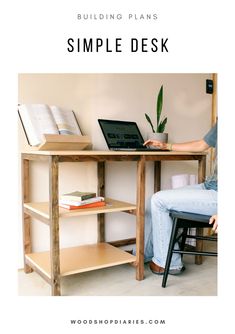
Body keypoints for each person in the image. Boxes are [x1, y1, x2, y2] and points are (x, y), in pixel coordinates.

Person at [142, 122, 217, 275]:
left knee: (159, 200)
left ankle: (168, 263)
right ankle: (146, 254)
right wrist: (166, 146)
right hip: (211, 186)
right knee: (153, 200)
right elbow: (201, 144)